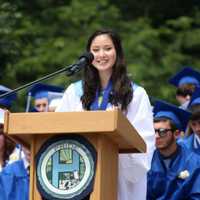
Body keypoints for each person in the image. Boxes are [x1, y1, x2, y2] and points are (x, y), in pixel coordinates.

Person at [56, 29, 155, 200]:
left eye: (108, 48)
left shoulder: (136, 94)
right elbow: (58, 129)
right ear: (88, 55)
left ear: (117, 51)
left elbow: (144, 141)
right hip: (79, 175)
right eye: (95, 50)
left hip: (119, 178)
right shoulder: (74, 92)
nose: (101, 54)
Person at [147, 100, 200, 200]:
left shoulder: (195, 163)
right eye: (154, 131)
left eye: (162, 132)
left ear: (176, 134)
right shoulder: (147, 161)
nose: (157, 136)